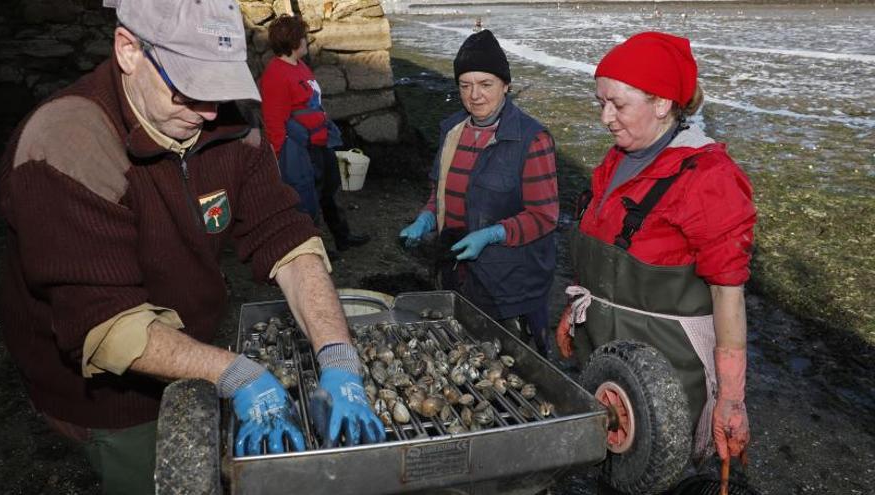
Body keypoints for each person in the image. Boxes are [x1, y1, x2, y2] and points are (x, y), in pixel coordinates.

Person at [0, 1, 384, 493]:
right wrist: (236, 373)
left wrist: (337, 354)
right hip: (110, 397)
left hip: (196, 348)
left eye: (219, 88)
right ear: (128, 50)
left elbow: (285, 236)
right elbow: (105, 324)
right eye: (187, 87)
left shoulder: (231, 123)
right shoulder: (64, 145)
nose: (207, 112)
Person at [556, 31, 755, 482]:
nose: (606, 117)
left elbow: (729, 296)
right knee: (610, 467)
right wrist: (577, 308)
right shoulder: (615, 162)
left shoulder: (708, 178)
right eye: (600, 102)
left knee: (661, 472)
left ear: (663, 103)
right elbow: (601, 253)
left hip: (670, 369)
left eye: (618, 105)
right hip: (607, 361)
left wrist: (731, 397)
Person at [398, 30, 559, 356]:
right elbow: (439, 190)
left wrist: (493, 234)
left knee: (511, 365)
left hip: (507, 282)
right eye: (465, 85)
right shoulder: (451, 129)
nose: (475, 95)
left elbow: (544, 217)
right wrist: (427, 218)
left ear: (505, 85)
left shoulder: (532, 139)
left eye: (485, 84)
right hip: (456, 271)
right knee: (462, 353)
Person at [260, 14, 370, 253]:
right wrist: (278, 158)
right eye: (303, 37)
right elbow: (274, 120)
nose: (306, 42)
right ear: (293, 43)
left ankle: (342, 237)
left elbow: (313, 102)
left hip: (319, 142)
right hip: (299, 148)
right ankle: (313, 247)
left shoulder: (300, 66)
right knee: (306, 198)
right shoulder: (275, 74)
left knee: (330, 190)